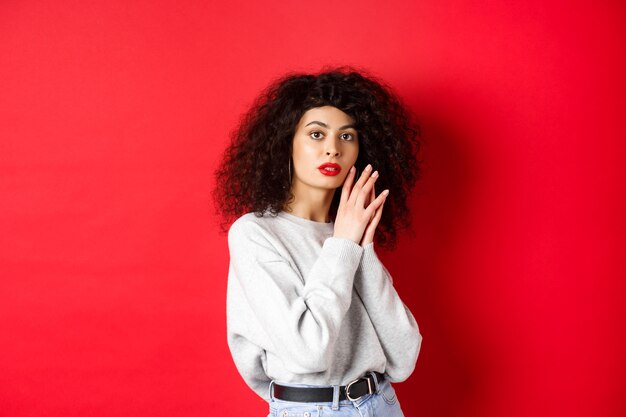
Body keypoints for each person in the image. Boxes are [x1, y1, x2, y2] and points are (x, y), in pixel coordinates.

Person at [212, 67, 423, 416]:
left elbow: (403, 359)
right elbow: (308, 352)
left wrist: (363, 250)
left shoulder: (349, 234)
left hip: (382, 404)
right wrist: (344, 246)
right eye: (316, 134)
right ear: (286, 143)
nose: (333, 150)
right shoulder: (255, 233)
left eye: (347, 136)